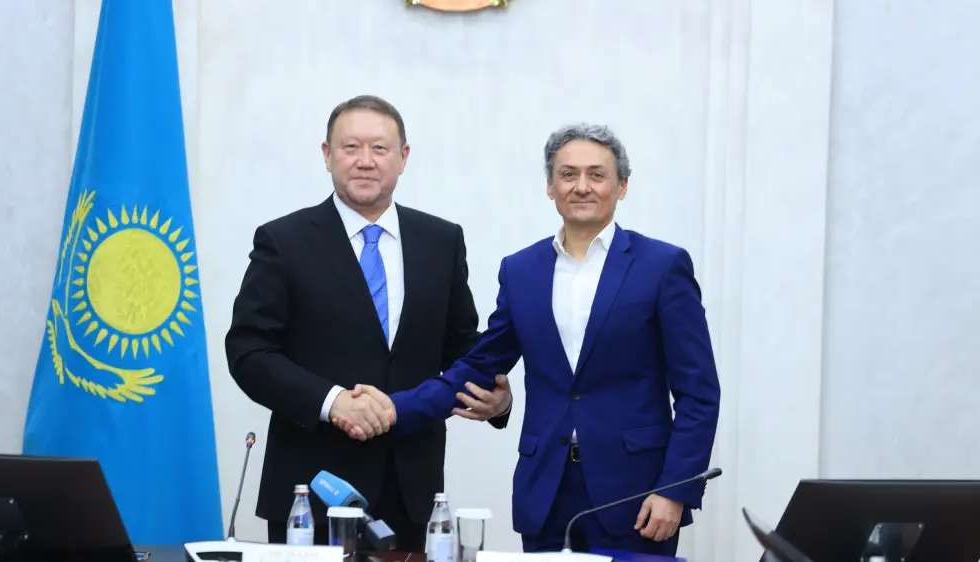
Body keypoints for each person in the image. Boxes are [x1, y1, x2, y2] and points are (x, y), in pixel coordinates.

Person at [336, 123, 721, 556]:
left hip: (637, 496)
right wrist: (394, 408)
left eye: (597, 175)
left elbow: (699, 392)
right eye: (568, 174)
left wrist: (675, 489)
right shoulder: (522, 270)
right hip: (546, 493)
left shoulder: (662, 266)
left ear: (622, 186)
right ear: (550, 186)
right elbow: (478, 366)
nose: (581, 186)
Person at [224, 94, 511, 549]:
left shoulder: (441, 240)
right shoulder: (283, 240)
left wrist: (497, 399)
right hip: (312, 492)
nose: (364, 161)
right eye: (350, 147)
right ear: (327, 155)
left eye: (379, 148)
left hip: (411, 489)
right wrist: (333, 401)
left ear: (403, 157)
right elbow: (249, 352)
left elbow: (460, 346)